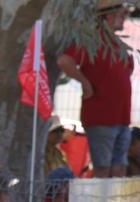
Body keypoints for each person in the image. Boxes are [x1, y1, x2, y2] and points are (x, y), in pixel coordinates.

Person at [56, 0, 133, 178]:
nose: (124, 19)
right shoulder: (91, 41)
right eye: (121, 15)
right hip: (101, 117)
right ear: (108, 16)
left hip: (122, 117)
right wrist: (84, 82)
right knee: (102, 167)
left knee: (119, 167)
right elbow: (64, 61)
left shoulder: (117, 44)